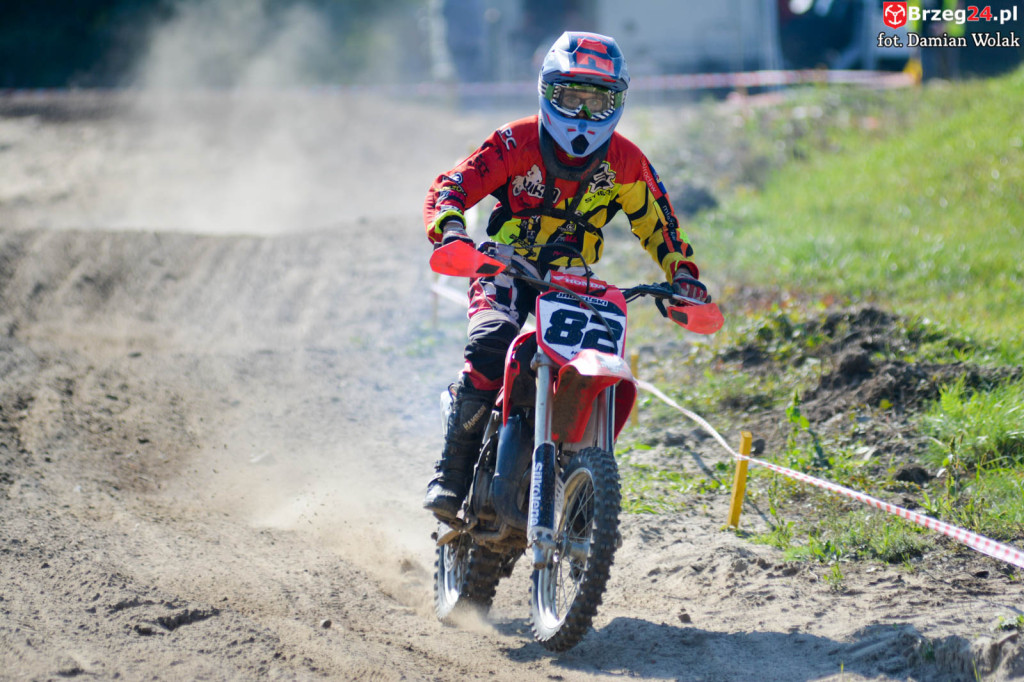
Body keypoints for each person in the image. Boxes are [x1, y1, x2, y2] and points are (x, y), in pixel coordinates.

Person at [421, 31, 710, 521]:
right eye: (570, 96)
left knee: (590, 363)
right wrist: (451, 232)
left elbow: (662, 227)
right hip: (505, 263)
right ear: (547, 91)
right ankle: (450, 476)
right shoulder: (514, 140)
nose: (581, 113)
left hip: (573, 278)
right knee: (491, 342)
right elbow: (452, 186)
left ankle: (575, 468)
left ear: (616, 103)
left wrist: (683, 276)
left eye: (596, 101)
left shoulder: (626, 163)